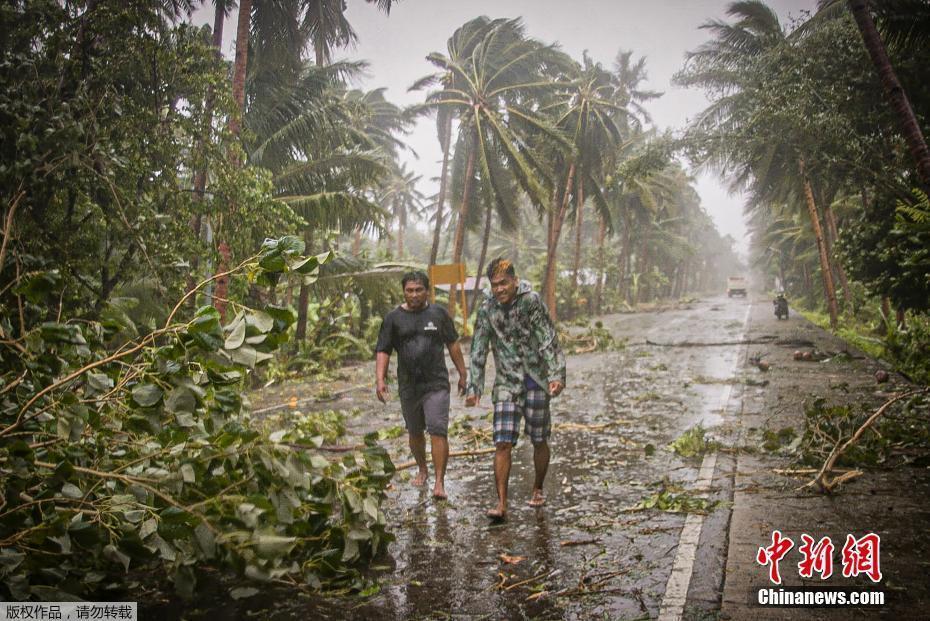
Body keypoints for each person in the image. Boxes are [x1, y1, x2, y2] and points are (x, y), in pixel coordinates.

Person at [465, 258, 566, 520]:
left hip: (535, 380)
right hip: (507, 384)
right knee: (502, 443)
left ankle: (538, 487)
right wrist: (474, 385)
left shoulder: (530, 301)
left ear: (514, 280)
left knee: (539, 439)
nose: (499, 289)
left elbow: (547, 337)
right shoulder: (487, 308)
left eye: (504, 283)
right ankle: (501, 503)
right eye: (495, 285)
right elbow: (479, 345)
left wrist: (556, 374)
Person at [375, 271, 467, 500]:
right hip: (409, 386)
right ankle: (422, 468)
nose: (414, 294)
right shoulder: (393, 319)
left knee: (438, 429)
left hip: (436, 383)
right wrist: (380, 379)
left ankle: (439, 482)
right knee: (415, 433)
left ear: (427, 291)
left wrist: (463, 373)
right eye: (409, 290)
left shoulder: (438, 314)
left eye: (418, 290)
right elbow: (383, 350)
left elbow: (453, 344)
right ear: (403, 291)